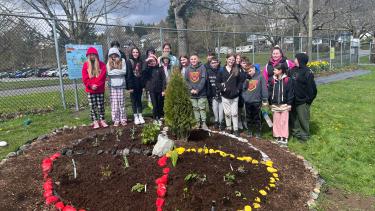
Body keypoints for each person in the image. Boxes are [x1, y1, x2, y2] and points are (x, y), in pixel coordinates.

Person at [290, 53, 317, 141]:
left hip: (303, 101)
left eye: (296, 58)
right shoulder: (293, 70)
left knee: (303, 118)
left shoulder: (307, 72)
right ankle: (296, 134)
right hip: (293, 99)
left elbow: (312, 89)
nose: (294, 60)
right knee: (294, 118)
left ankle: (304, 136)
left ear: (300, 60)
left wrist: (308, 100)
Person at [81, 47, 108, 129]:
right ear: (88, 56)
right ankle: (95, 121)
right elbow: (85, 78)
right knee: (92, 106)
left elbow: (102, 77)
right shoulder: (86, 65)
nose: (92, 56)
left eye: (94, 54)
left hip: (99, 89)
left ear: (96, 55)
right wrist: (91, 85)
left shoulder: (102, 64)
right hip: (90, 90)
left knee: (101, 105)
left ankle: (102, 120)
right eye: (90, 55)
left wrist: (96, 85)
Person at [216, 53, 243, 136]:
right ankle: (229, 128)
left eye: (233, 60)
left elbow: (240, 81)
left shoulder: (236, 69)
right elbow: (217, 82)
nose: (231, 61)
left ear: (235, 61)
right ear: (226, 59)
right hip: (225, 96)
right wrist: (222, 88)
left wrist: (238, 90)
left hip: (235, 96)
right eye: (230, 59)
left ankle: (235, 129)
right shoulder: (221, 70)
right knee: (227, 113)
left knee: (234, 113)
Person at [241, 59, 268, 139]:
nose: (249, 73)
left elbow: (264, 88)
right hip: (248, 101)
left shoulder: (260, 76)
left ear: (253, 68)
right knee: (249, 117)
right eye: (247, 72)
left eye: (250, 71)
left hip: (256, 101)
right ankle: (250, 130)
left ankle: (257, 131)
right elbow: (244, 88)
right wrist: (245, 97)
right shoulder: (247, 78)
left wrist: (265, 99)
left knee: (257, 117)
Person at [270, 63, 294, 146]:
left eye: (275, 70)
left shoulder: (288, 80)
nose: (273, 71)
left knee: (284, 121)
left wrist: (289, 104)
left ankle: (284, 137)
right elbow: (270, 92)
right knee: (276, 121)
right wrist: (270, 102)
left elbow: (290, 92)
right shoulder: (272, 80)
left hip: (284, 105)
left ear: (280, 71)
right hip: (275, 105)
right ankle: (278, 136)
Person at [185, 54, 208, 130]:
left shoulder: (202, 67)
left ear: (198, 59)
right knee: (195, 108)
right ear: (190, 60)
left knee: (202, 107)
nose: (193, 60)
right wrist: (191, 89)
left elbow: (203, 79)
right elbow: (186, 80)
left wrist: (198, 89)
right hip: (192, 93)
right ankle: (198, 123)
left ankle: (204, 123)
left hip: (201, 92)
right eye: (191, 59)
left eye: (195, 59)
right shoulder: (188, 69)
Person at [107, 47, 128, 127]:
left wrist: (114, 71)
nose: (113, 56)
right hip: (112, 86)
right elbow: (109, 73)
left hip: (121, 85)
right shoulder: (108, 62)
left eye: (115, 54)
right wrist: (118, 72)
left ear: (117, 54)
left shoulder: (122, 61)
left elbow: (124, 72)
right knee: (115, 104)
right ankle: (116, 119)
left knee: (121, 103)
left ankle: (123, 119)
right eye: (112, 55)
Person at [143, 54, 166, 125]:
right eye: (150, 61)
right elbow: (143, 71)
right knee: (154, 105)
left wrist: (163, 90)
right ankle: (155, 117)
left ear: (156, 61)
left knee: (160, 104)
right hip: (152, 90)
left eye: (153, 61)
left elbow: (163, 79)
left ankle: (159, 116)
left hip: (160, 90)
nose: (152, 62)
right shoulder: (148, 69)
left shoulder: (160, 68)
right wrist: (146, 62)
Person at [126, 47, 145, 125]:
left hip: (140, 84)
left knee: (139, 100)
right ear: (131, 53)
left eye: (137, 52)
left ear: (139, 53)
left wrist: (143, 86)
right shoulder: (129, 61)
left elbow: (143, 74)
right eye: (134, 52)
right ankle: (135, 116)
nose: (135, 53)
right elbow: (128, 74)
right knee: (133, 101)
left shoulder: (141, 61)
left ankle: (140, 115)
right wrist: (130, 87)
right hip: (133, 85)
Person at [206, 56, 224, 130]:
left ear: (218, 63)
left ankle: (221, 122)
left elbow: (224, 82)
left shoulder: (221, 71)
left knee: (221, 109)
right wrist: (210, 94)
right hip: (212, 93)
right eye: (212, 63)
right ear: (210, 64)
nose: (214, 64)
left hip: (221, 93)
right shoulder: (208, 72)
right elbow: (208, 84)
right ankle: (216, 121)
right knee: (215, 108)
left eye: (215, 62)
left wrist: (221, 91)